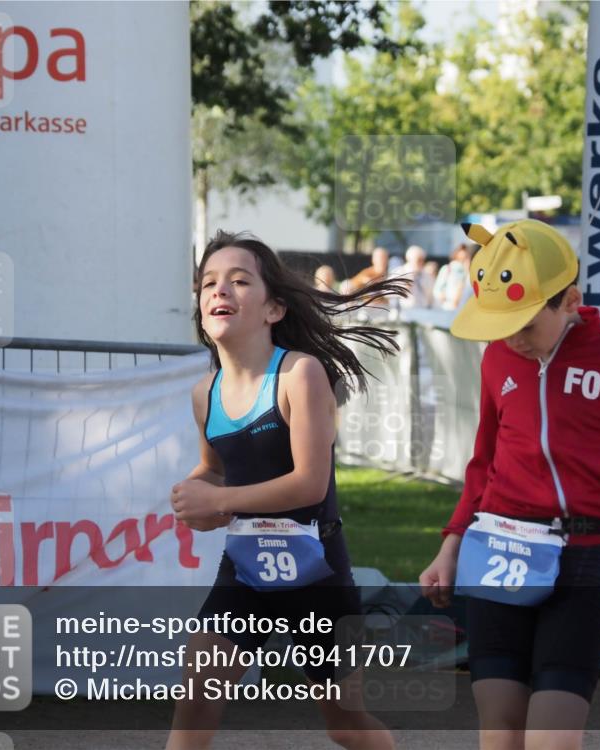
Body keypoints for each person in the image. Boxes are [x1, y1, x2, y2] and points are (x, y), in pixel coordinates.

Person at [418, 219, 600, 750]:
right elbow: (483, 463)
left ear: (568, 301)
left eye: (523, 322)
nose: (511, 337)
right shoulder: (497, 358)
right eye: (500, 323)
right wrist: (450, 545)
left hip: (579, 562)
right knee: (500, 731)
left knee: (552, 739)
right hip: (496, 550)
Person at [167, 230, 406, 750]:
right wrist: (193, 489)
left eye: (238, 280)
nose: (219, 291)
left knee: (345, 725)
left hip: (317, 570)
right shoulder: (203, 395)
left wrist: (221, 501)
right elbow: (215, 467)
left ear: (274, 308)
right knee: (191, 716)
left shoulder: (300, 374)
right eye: (208, 283)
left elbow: (308, 483)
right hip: (247, 569)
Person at [392, 244, 433, 309]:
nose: (421, 262)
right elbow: (387, 293)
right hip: (404, 312)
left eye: (422, 259)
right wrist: (402, 288)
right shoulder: (399, 272)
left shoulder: (426, 275)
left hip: (423, 311)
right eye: (418, 260)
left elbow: (431, 296)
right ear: (409, 259)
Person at [433, 243, 472, 310]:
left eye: (465, 259)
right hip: (447, 309)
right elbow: (437, 290)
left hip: (464, 310)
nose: (462, 262)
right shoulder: (447, 270)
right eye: (460, 259)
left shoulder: (470, 275)